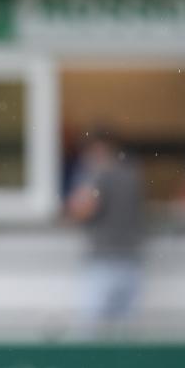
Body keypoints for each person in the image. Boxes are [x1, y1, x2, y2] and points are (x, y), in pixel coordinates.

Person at [66, 128, 145, 335]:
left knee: (89, 332)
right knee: (125, 334)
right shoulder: (132, 174)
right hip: (132, 261)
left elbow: (82, 210)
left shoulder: (99, 175)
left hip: (104, 262)